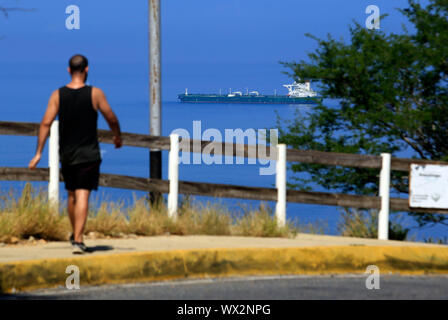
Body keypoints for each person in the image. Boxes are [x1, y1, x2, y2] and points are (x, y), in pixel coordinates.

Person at [28, 54, 122, 254]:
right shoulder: (95, 94)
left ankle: (75, 234)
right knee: (83, 194)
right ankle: (78, 239)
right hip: (89, 153)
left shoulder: (57, 95)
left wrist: (38, 153)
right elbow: (111, 117)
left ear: (69, 70)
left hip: (67, 153)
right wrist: (117, 137)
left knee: (71, 194)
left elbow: (45, 123)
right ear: (87, 69)